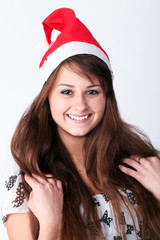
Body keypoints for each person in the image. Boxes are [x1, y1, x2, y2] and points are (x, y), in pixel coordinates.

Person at [1, 7, 160, 240]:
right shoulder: (28, 183)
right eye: (67, 91)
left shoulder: (143, 166)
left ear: (107, 98)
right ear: (47, 97)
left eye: (92, 91)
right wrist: (51, 224)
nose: (80, 105)